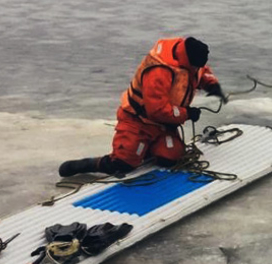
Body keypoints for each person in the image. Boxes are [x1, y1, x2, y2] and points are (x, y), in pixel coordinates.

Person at [58, 36, 224, 177]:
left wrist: (211, 84)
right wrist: (186, 113)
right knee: (123, 163)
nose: (197, 70)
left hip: (164, 125)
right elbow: (156, 110)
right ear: (187, 61)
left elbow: (202, 72)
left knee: (170, 159)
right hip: (139, 121)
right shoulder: (159, 70)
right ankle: (89, 164)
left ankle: (147, 148)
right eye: (194, 66)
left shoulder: (190, 59)